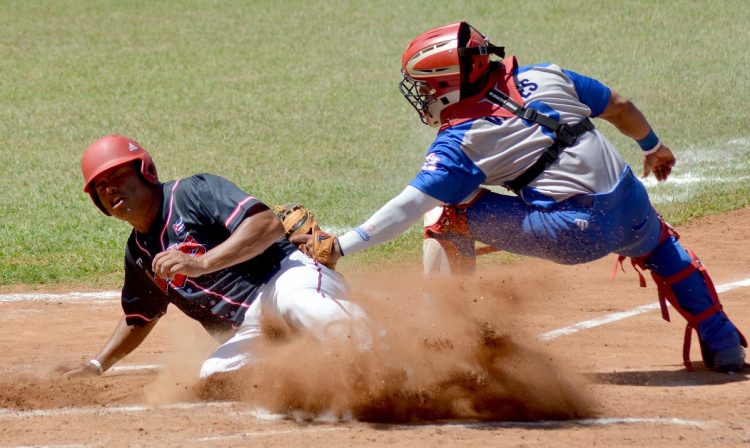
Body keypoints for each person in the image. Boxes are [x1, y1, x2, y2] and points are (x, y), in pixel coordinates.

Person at [299, 22, 746, 372]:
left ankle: (448, 337)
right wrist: (653, 147)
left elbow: (407, 206)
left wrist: (341, 245)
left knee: (443, 213)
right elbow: (620, 106)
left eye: (428, 86)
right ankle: (724, 344)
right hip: (629, 202)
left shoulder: (460, 141)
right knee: (659, 244)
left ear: (449, 84)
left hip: (574, 232)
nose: (424, 95)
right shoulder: (546, 75)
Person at [58, 134, 368, 380]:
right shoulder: (138, 254)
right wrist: (97, 365)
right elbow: (139, 317)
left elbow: (267, 224)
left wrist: (202, 263)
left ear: (145, 172)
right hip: (252, 328)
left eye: (119, 176)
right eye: (101, 185)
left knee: (299, 304)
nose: (111, 189)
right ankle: (318, 370)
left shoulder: (193, 192)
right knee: (216, 375)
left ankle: (381, 351)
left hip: (283, 278)